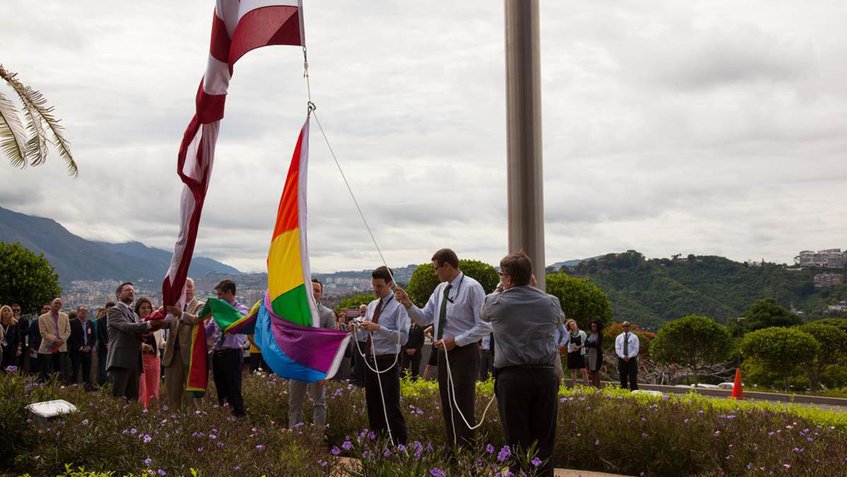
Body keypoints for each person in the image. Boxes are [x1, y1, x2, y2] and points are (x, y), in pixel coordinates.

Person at [395, 248, 491, 448]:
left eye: (436, 268)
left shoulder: (472, 287)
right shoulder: (440, 289)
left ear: (447, 266)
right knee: (447, 404)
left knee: (462, 404)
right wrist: (408, 304)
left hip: (464, 352)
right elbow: (424, 317)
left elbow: (484, 325)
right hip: (443, 353)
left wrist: (456, 340)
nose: (435, 273)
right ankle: (453, 450)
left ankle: (467, 454)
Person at [481, 251, 563, 477]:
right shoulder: (550, 302)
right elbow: (559, 320)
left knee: (516, 438)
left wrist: (500, 287)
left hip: (512, 378)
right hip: (545, 376)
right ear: (530, 276)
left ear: (506, 278)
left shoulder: (496, 302)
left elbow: (483, 313)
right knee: (544, 438)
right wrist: (531, 287)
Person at [355, 266, 409, 444]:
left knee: (391, 406)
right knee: (373, 406)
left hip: (388, 360)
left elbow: (403, 338)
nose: (376, 289)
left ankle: (400, 446)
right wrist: (357, 329)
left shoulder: (399, 308)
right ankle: (377, 444)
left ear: (390, 284)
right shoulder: (371, 305)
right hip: (371, 359)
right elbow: (366, 334)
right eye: (374, 285)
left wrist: (379, 328)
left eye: (379, 286)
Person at [288, 279, 337, 429]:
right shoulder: (296, 313)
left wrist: (327, 371)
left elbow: (331, 344)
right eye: (312, 289)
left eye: (317, 290)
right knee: (295, 402)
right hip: (298, 364)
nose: (314, 293)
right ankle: (294, 437)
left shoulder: (328, 314)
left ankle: (318, 437)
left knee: (319, 402)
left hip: (318, 366)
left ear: (321, 294)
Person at [107, 282, 163, 401]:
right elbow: (126, 326)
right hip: (120, 360)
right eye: (127, 290)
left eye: (133, 290)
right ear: (118, 295)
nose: (131, 292)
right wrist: (148, 324)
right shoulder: (115, 311)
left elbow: (137, 332)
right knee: (117, 397)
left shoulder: (133, 314)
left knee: (133, 398)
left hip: (135, 361)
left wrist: (147, 332)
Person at [204, 279, 247, 417]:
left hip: (232, 355)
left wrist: (222, 314)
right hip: (218, 355)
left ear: (229, 292)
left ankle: (239, 420)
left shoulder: (241, 310)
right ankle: (225, 419)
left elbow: (237, 326)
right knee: (221, 390)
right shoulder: (217, 312)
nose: (219, 298)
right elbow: (209, 330)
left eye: (220, 294)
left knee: (234, 390)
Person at [162, 278, 206, 409]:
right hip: (172, 356)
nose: (186, 290)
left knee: (193, 396)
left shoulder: (201, 305)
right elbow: (166, 324)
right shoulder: (176, 306)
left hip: (191, 356)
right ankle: (175, 423)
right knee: (173, 394)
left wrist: (181, 314)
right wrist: (157, 317)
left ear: (194, 289)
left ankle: (196, 423)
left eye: (189, 287)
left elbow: (198, 320)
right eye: (183, 287)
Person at [135, 297, 163, 408]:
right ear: (138, 310)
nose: (146, 310)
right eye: (143, 308)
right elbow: (132, 340)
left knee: (154, 387)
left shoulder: (155, 324)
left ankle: (153, 410)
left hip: (154, 359)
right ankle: (142, 409)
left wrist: (165, 344)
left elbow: (160, 340)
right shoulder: (134, 324)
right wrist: (142, 346)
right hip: (141, 359)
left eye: (148, 308)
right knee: (142, 388)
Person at [38, 298, 71, 382]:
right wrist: (54, 340)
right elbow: (43, 332)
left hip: (61, 345)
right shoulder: (42, 317)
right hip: (49, 344)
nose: (58, 305)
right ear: (51, 304)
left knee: (60, 369)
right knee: (47, 368)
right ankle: (47, 387)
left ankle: (58, 387)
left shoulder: (65, 316)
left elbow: (68, 331)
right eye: (56, 303)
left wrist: (61, 340)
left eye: (60, 304)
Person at [68, 305, 96, 389]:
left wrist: (89, 347)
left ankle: (86, 386)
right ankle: (73, 386)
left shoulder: (90, 323)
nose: (83, 312)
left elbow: (93, 337)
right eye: (82, 310)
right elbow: (71, 337)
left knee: (87, 370)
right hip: (76, 351)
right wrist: (80, 347)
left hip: (88, 351)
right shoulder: (72, 322)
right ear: (78, 312)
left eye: (85, 311)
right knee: (75, 369)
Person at [615, 321, 640, 391]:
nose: (625, 327)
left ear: (630, 327)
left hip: (631, 360)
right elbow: (617, 349)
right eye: (624, 326)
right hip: (622, 360)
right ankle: (623, 396)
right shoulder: (618, 337)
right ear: (622, 327)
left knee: (633, 379)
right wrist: (623, 356)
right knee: (622, 379)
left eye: (627, 326)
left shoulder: (634, 337)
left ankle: (634, 395)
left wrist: (629, 356)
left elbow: (636, 349)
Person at [95, 302, 115, 386]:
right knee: (103, 366)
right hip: (104, 348)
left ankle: (112, 384)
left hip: (114, 347)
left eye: (112, 308)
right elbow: (100, 334)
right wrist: (106, 344)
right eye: (109, 308)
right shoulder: (100, 321)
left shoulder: (116, 320)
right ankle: (103, 385)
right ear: (106, 309)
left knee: (113, 367)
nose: (110, 310)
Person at [566, 319, 589, 387]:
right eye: (571, 325)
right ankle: (574, 386)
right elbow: (565, 341)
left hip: (580, 353)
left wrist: (579, 347)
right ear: (570, 327)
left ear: (576, 324)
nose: (573, 326)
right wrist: (568, 334)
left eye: (574, 324)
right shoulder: (569, 334)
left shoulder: (582, 333)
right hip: (571, 354)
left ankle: (587, 386)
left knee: (583, 370)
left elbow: (586, 343)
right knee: (573, 370)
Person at [350, 304, 368, 387]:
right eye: (362, 311)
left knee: (367, 363)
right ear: (359, 311)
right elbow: (352, 333)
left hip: (368, 344)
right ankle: (359, 382)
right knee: (358, 363)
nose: (363, 313)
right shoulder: (355, 320)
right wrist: (354, 328)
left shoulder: (370, 320)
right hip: (358, 344)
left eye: (365, 311)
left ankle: (366, 381)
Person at [1, 305, 21, 371]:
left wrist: (18, 349)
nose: (6, 312)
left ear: (11, 313)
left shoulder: (15, 323)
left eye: (8, 311)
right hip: (1, 349)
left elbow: (18, 337)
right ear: (1, 313)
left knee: (11, 368)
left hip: (12, 349)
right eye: (4, 311)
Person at [584, 320, 604, 387]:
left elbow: (598, 345)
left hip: (597, 355)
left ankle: (597, 387)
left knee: (596, 371)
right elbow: (585, 344)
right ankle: (593, 386)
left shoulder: (600, 334)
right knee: (591, 371)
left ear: (598, 327)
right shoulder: (589, 334)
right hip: (590, 354)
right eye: (592, 326)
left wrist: (590, 344)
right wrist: (592, 343)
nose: (593, 327)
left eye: (595, 326)